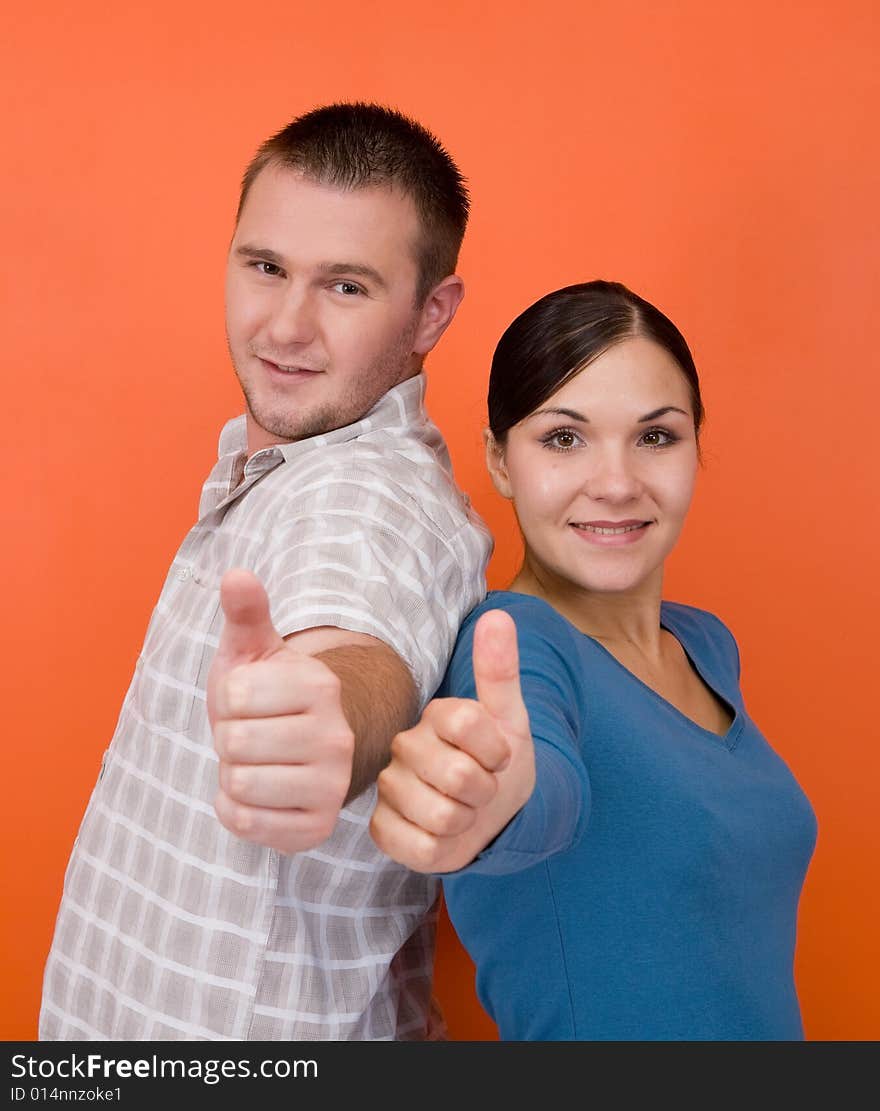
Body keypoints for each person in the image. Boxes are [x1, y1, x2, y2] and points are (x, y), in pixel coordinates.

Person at [40, 102, 492, 1041]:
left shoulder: (373, 498)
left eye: (348, 287)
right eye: (266, 267)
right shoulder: (277, 471)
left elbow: (359, 645)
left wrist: (331, 716)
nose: (286, 324)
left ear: (431, 313)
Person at [370, 280, 818, 1040]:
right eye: (564, 437)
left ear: (696, 446)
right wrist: (492, 809)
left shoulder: (706, 645)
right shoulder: (514, 644)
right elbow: (538, 786)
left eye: (655, 436)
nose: (616, 483)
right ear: (499, 460)